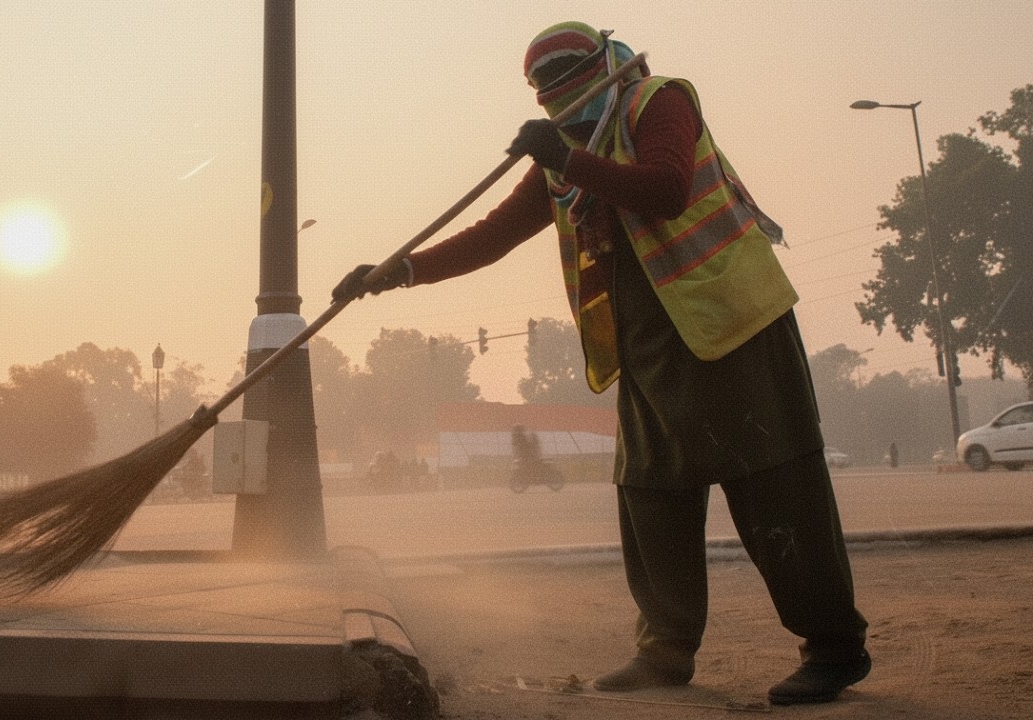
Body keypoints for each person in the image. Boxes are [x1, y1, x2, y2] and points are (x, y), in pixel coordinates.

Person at [332, 21, 870, 706]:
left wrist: (566, 156)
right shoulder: (568, 148)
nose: (559, 103)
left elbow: (667, 189)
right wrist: (397, 271)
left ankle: (834, 648)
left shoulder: (656, 103)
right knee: (652, 494)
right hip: (650, 346)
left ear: (601, 67)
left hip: (734, 328)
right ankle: (665, 650)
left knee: (776, 490)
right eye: (546, 95)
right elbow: (493, 235)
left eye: (565, 87)